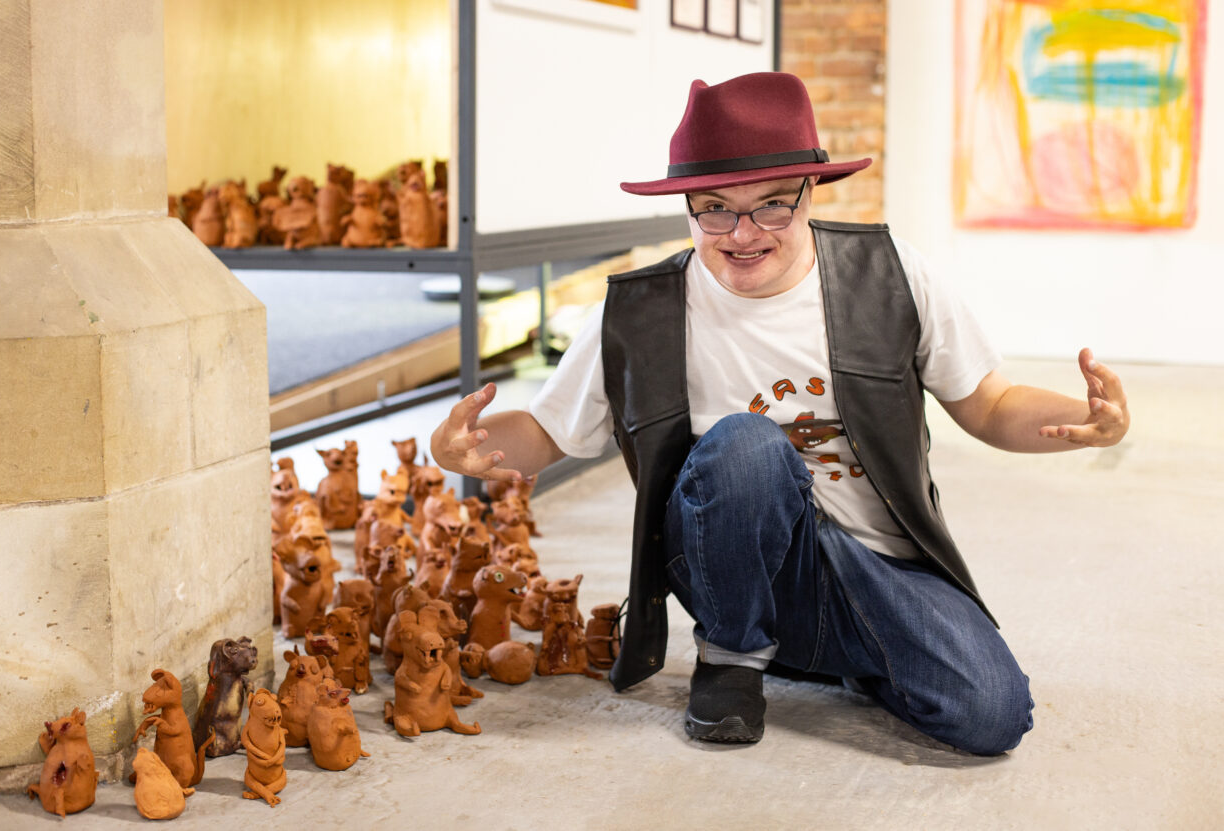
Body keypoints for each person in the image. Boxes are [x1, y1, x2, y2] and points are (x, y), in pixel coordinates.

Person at [430, 72, 1129, 754]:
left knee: (991, 716)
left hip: (872, 565)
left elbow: (991, 404)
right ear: (688, 206)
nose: (742, 232)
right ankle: (732, 654)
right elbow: (548, 432)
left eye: (772, 205)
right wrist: (466, 444)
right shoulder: (641, 308)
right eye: (714, 208)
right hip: (726, 560)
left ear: (810, 191)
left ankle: (824, 652)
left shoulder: (891, 275)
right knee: (746, 443)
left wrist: (1086, 421)